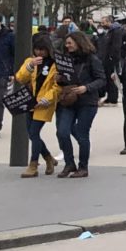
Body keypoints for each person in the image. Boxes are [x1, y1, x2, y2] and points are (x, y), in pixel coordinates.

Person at [52, 30, 106, 178]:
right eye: (66, 43)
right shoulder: (66, 59)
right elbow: (66, 79)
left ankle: (83, 167)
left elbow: (101, 79)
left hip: (87, 101)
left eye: (70, 43)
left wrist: (86, 88)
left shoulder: (92, 59)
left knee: (82, 134)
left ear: (79, 42)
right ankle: (69, 163)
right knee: (62, 131)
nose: (67, 46)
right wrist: (60, 78)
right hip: (69, 99)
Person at [15, 35, 61, 177]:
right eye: (37, 49)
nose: (39, 53)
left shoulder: (55, 64)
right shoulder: (30, 61)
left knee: (34, 132)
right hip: (30, 102)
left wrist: (48, 99)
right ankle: (48, 158)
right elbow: (20, 78)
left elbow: (58, 86)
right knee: (31, 134)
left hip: (45, 103)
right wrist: (30, 66)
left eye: (43, 50)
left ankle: (33, 164)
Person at [97, 16, 126, 104]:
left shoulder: (116, 31)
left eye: (103, 23)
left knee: (112, 78)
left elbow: (116, 46)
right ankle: (110, 96)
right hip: (107, 58)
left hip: (111, 59)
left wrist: (112, 57)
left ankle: (113, 98)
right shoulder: (110, 31)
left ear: (109, 22)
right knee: (108, 78)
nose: (102, 25)